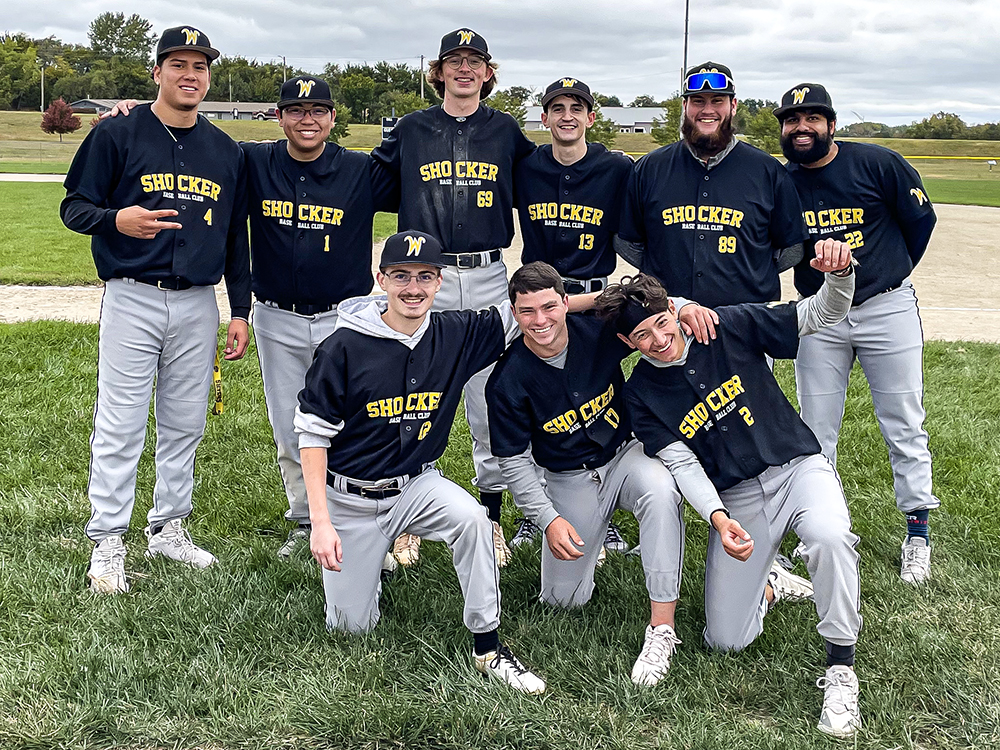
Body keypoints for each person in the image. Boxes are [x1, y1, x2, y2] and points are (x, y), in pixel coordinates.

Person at [596, 239, 863, 738]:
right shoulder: (640, 394)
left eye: (660, 322)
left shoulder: (724, 325)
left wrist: (841, 274)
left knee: (829, 537)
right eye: (640, 334)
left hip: (797, 469)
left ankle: (840, 668)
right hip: (738, 498)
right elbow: (682, 465)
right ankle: (767, 585)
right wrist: (719, 518)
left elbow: (818, 315)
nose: (657, 339)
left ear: (672, 311)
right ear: (629, 343)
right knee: (726, 640)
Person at [295, 230, 544, 694]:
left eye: (425, 277)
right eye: (401, 276)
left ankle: (488, 646)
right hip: (349, 499)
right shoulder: (343, 346)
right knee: (350, 628)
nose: (413, 288)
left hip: (415, 488)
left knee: (472, 519)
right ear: (381, 279)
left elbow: (536, 312)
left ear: (440, 281)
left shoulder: (455, 333)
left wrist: (655, 304)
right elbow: (311, 437)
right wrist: (320, 522)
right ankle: (373, 562)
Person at [60, 26, 250, 593]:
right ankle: (109, 538)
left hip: (197, 302)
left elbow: (236, 238)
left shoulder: (225, 150)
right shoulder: (118, 132)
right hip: (132, 294)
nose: (190, 75)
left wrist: (239, 310)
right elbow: (74, 206)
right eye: (179, 64)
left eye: (201, 66)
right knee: (121, 422)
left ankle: (168, 528)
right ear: (157, 72)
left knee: (185, 422)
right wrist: (116, 220)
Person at [486, 261, 723, 685]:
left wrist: (684, 307)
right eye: (527, 312)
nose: (540, 321)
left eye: (548, 307)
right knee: (563, 602)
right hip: (567, 477)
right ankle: (589, 538)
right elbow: (515, 462)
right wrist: (548, 519)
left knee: (660, 488)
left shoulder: (596, 331)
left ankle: (662, 627)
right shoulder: (507, 380)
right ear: (514, 313)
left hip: (622, 455)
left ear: (565, 302)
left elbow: (644, 305)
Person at [371, 29, 536, 567]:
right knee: (413, 395)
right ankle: (408, 514)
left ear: (489, 72)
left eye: (474, 61)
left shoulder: (507, 132)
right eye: (454, 61)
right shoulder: (411, 129)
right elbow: (358, 178)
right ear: (437, 71)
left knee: (488, 401)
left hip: (488, 274)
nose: (464, 69)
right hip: (425, 280)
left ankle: (489, 518)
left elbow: (554, 174)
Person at [775, 83, 939, 584]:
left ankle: (918, 532)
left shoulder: (877, 162)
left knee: (903, 422)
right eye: (791, 120)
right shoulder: (782, 181)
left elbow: (920, 223)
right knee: (814, 430)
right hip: (820, 314)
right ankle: (824, 530)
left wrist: (885, 272)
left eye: (812, 118)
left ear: (831, 123)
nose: (801, 128)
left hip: (886, 306)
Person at [507, 78, 634, 552]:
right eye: (556, 108)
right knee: (542, 405)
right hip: (541, 300)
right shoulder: (527, 167)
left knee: (601, 402)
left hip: (594, 300)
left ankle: (607, 508)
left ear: (591, 117)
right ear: (543, 118)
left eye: (576, 108)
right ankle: (534, 507)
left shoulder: (616, 168)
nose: (566, 116)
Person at [618, 62, 806, 308]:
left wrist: (751, 272)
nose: (708, 110)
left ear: (733, 106)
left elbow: (792, 248)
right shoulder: (650, 168)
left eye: (717, 101)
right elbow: (627, 242)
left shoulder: (768, 171)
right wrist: (663, 273)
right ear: (685, 106)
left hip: (746, 319)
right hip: (668, 317)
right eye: (698, 101)